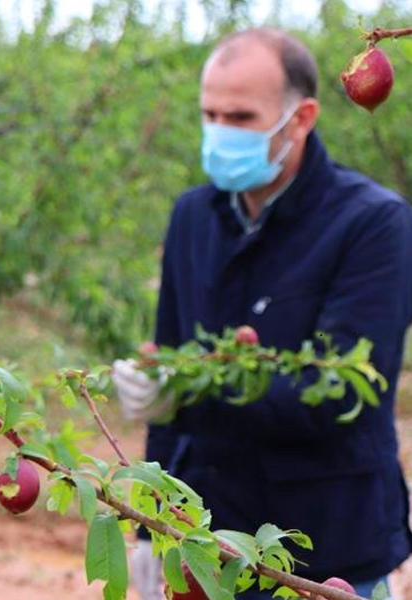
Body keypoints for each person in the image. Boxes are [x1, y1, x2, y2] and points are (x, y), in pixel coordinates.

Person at [112, 28, 412, 600]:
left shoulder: (374, 224)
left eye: (241, 116)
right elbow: (173, 351)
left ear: (300, 118)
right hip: (206, 542)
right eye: (210, 114)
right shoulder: (193, 216)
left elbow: (339, 392)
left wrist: (190, 391)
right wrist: (151, 527)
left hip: (328, 555)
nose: (221, 131)